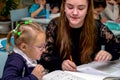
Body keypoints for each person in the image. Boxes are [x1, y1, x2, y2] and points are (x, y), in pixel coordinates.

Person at [40, 0, 120, 72]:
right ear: (64, 6)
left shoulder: (97, 26)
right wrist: (61, 63)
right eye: (70, 7)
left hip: (89, 74)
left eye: (81, 8)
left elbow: (117, 46)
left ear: (88, 9)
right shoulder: (54, 25)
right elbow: (43, 57)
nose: (75, 13)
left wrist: (110, 53)